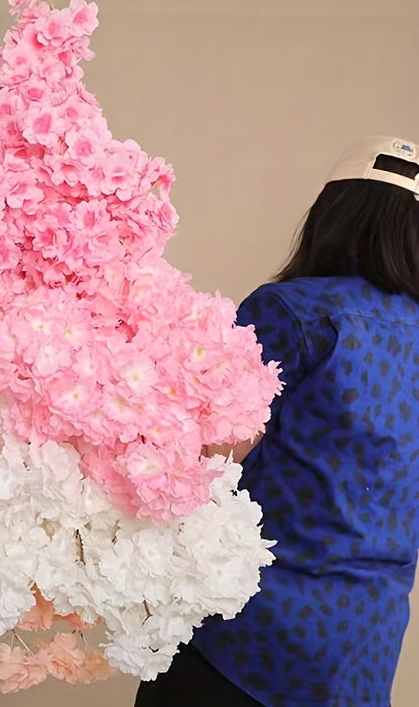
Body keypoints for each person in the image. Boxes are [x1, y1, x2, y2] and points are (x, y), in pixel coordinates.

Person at [135, 136, 419, 707]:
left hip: (247, 634)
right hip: (363, 649)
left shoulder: (294, 312)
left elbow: (206, 460)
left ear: (334, 215)